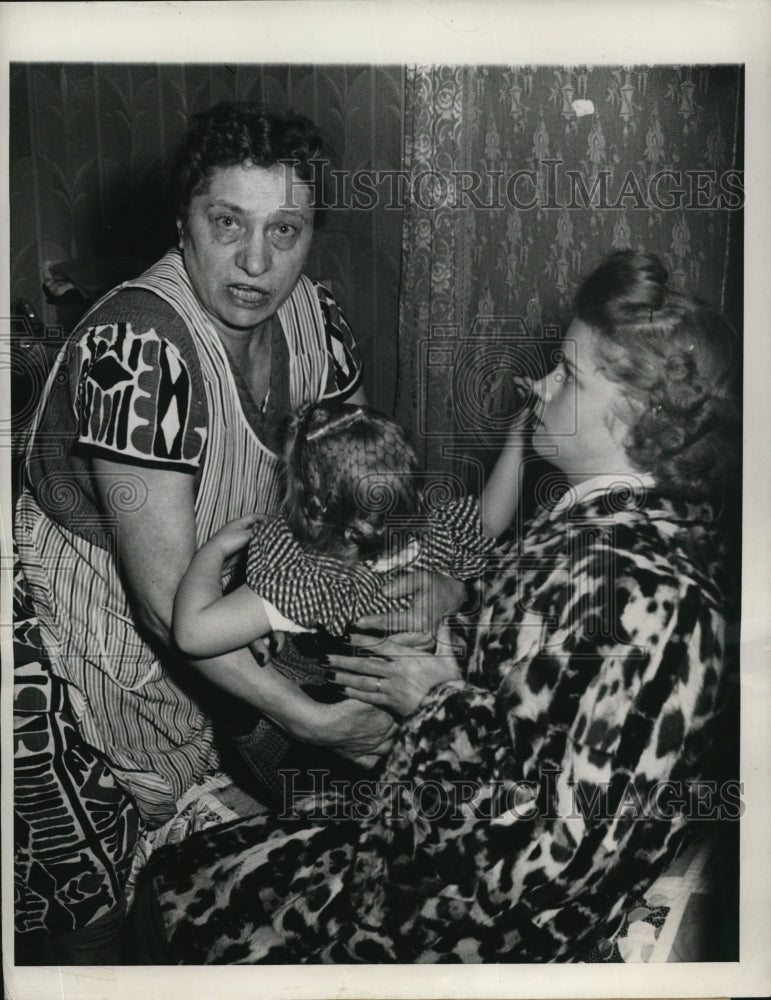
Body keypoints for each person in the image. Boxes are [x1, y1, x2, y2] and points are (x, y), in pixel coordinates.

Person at [130, 250, 740, 963]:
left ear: (641, 417)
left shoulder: (636, 589)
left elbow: (558, 858)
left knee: (178, 899)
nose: (541, 385)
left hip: (464, 925)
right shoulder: (602, 536)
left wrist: (435, 700)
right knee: (200, 871)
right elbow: (542, 695)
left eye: (568, 374)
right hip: (441, 842)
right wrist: (461, 613)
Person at [12, 100, 460, 964]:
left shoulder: (316, 320)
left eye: (284, 229)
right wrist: (314, 722)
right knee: (96, 925)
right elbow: (162, 603)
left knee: (216, 891)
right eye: (227, 223)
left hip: (206, 637)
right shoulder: (139, 347)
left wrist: (427, 578)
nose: (256, 263)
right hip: (65, 656)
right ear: (184, 222)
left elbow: (356, 499)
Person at [173, 400, 495, 652]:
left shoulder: (315, 583)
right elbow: (492, 518)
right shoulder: (435, 533)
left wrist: (214, 550)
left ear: (316, 510)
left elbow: (192, 634)